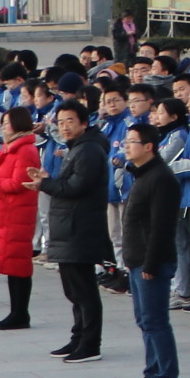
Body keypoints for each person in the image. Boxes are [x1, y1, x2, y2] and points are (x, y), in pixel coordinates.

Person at [114, 122, 183, 378]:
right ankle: (152, 374)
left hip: (152, 261)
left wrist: (151, 264)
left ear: (149, 147)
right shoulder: (142, 175)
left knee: (156, 321)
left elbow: (161, 228)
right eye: (126, 140)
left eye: (132, 141)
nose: (126, 146)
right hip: (137, 260)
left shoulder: (162, 178)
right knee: (144, 320)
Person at [40, 100, 112, 361]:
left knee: (84, 291)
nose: (65, 127)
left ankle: (90, 344)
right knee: (74, 291)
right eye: (60, 122)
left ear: (84, 122)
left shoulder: (89, 150)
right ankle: (78, 338)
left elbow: (76, 187)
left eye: (70, 121)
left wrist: (45, 184)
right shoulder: (76, 148)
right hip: (70, 229)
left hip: (80, 229)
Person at [0, 106, 44, 329]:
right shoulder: (12, 148)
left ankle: (20, 313)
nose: (3, 127)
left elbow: (17, 184)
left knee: (18, 265)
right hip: (7, 213)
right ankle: (17, 311)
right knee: (12, 265)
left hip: (17, 214)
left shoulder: (25, 151)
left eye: (7, 123)